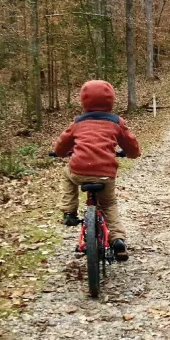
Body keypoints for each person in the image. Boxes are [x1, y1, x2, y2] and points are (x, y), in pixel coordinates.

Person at [53, 80, 141, 261]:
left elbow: (62, 145)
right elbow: (131, 146)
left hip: (78, 170)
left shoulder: (78, 122)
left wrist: (58, 152)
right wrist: (131, 154)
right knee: (108, 205)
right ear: (111, 100)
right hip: (105, 174)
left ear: (84, 100)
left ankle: (69, 212)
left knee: (66, 175)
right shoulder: (116, 122)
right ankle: (117, 240)